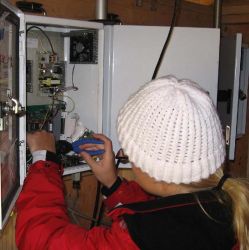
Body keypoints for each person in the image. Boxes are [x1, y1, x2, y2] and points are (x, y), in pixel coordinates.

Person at [15, 75, 249, 250]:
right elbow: (163, 213)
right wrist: (113, 184)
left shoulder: (142, 238)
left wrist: (44, 159)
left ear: (157, 170)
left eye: (133, 151)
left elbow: (41, 240)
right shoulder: (223, 207)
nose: (124, 152)